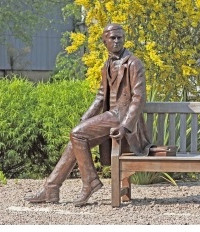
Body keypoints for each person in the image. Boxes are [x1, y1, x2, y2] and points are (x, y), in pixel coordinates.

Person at [24, 23, 152, 207]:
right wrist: (86, 118)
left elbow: (139, 98)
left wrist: (125, 126)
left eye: (120, 37)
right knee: (75, 140)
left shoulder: (133, 63)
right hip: (111, 115)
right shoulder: (106, 65)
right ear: (104, 41)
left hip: (121, 117)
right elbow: (100, 97)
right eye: (112, 38)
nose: (117, 41)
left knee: (77, 134)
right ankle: (51, 187)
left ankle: (90, 182)